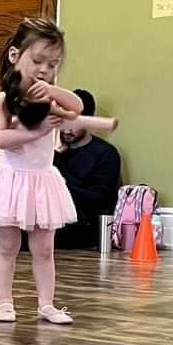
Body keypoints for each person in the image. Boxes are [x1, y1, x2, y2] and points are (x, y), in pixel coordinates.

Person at [0, 18, 95, 324]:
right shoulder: (2, 101)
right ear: (14, 56)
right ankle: (4, 301)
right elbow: (0, 139)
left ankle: (46, 304)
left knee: (44, 249)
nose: (45, 69)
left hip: (42, 181)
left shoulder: (49, 98)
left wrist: (52, 91)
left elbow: (77, 106)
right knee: (7, 245)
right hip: (10, 180)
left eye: (53, 64)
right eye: (37, 61)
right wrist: (38, 131)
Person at [54, 88, 122, 248]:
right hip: (51, 214)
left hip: (83, 223)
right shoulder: (53, 152)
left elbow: (100, 199)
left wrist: (60, 186)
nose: (68, 129)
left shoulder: (106, 154)